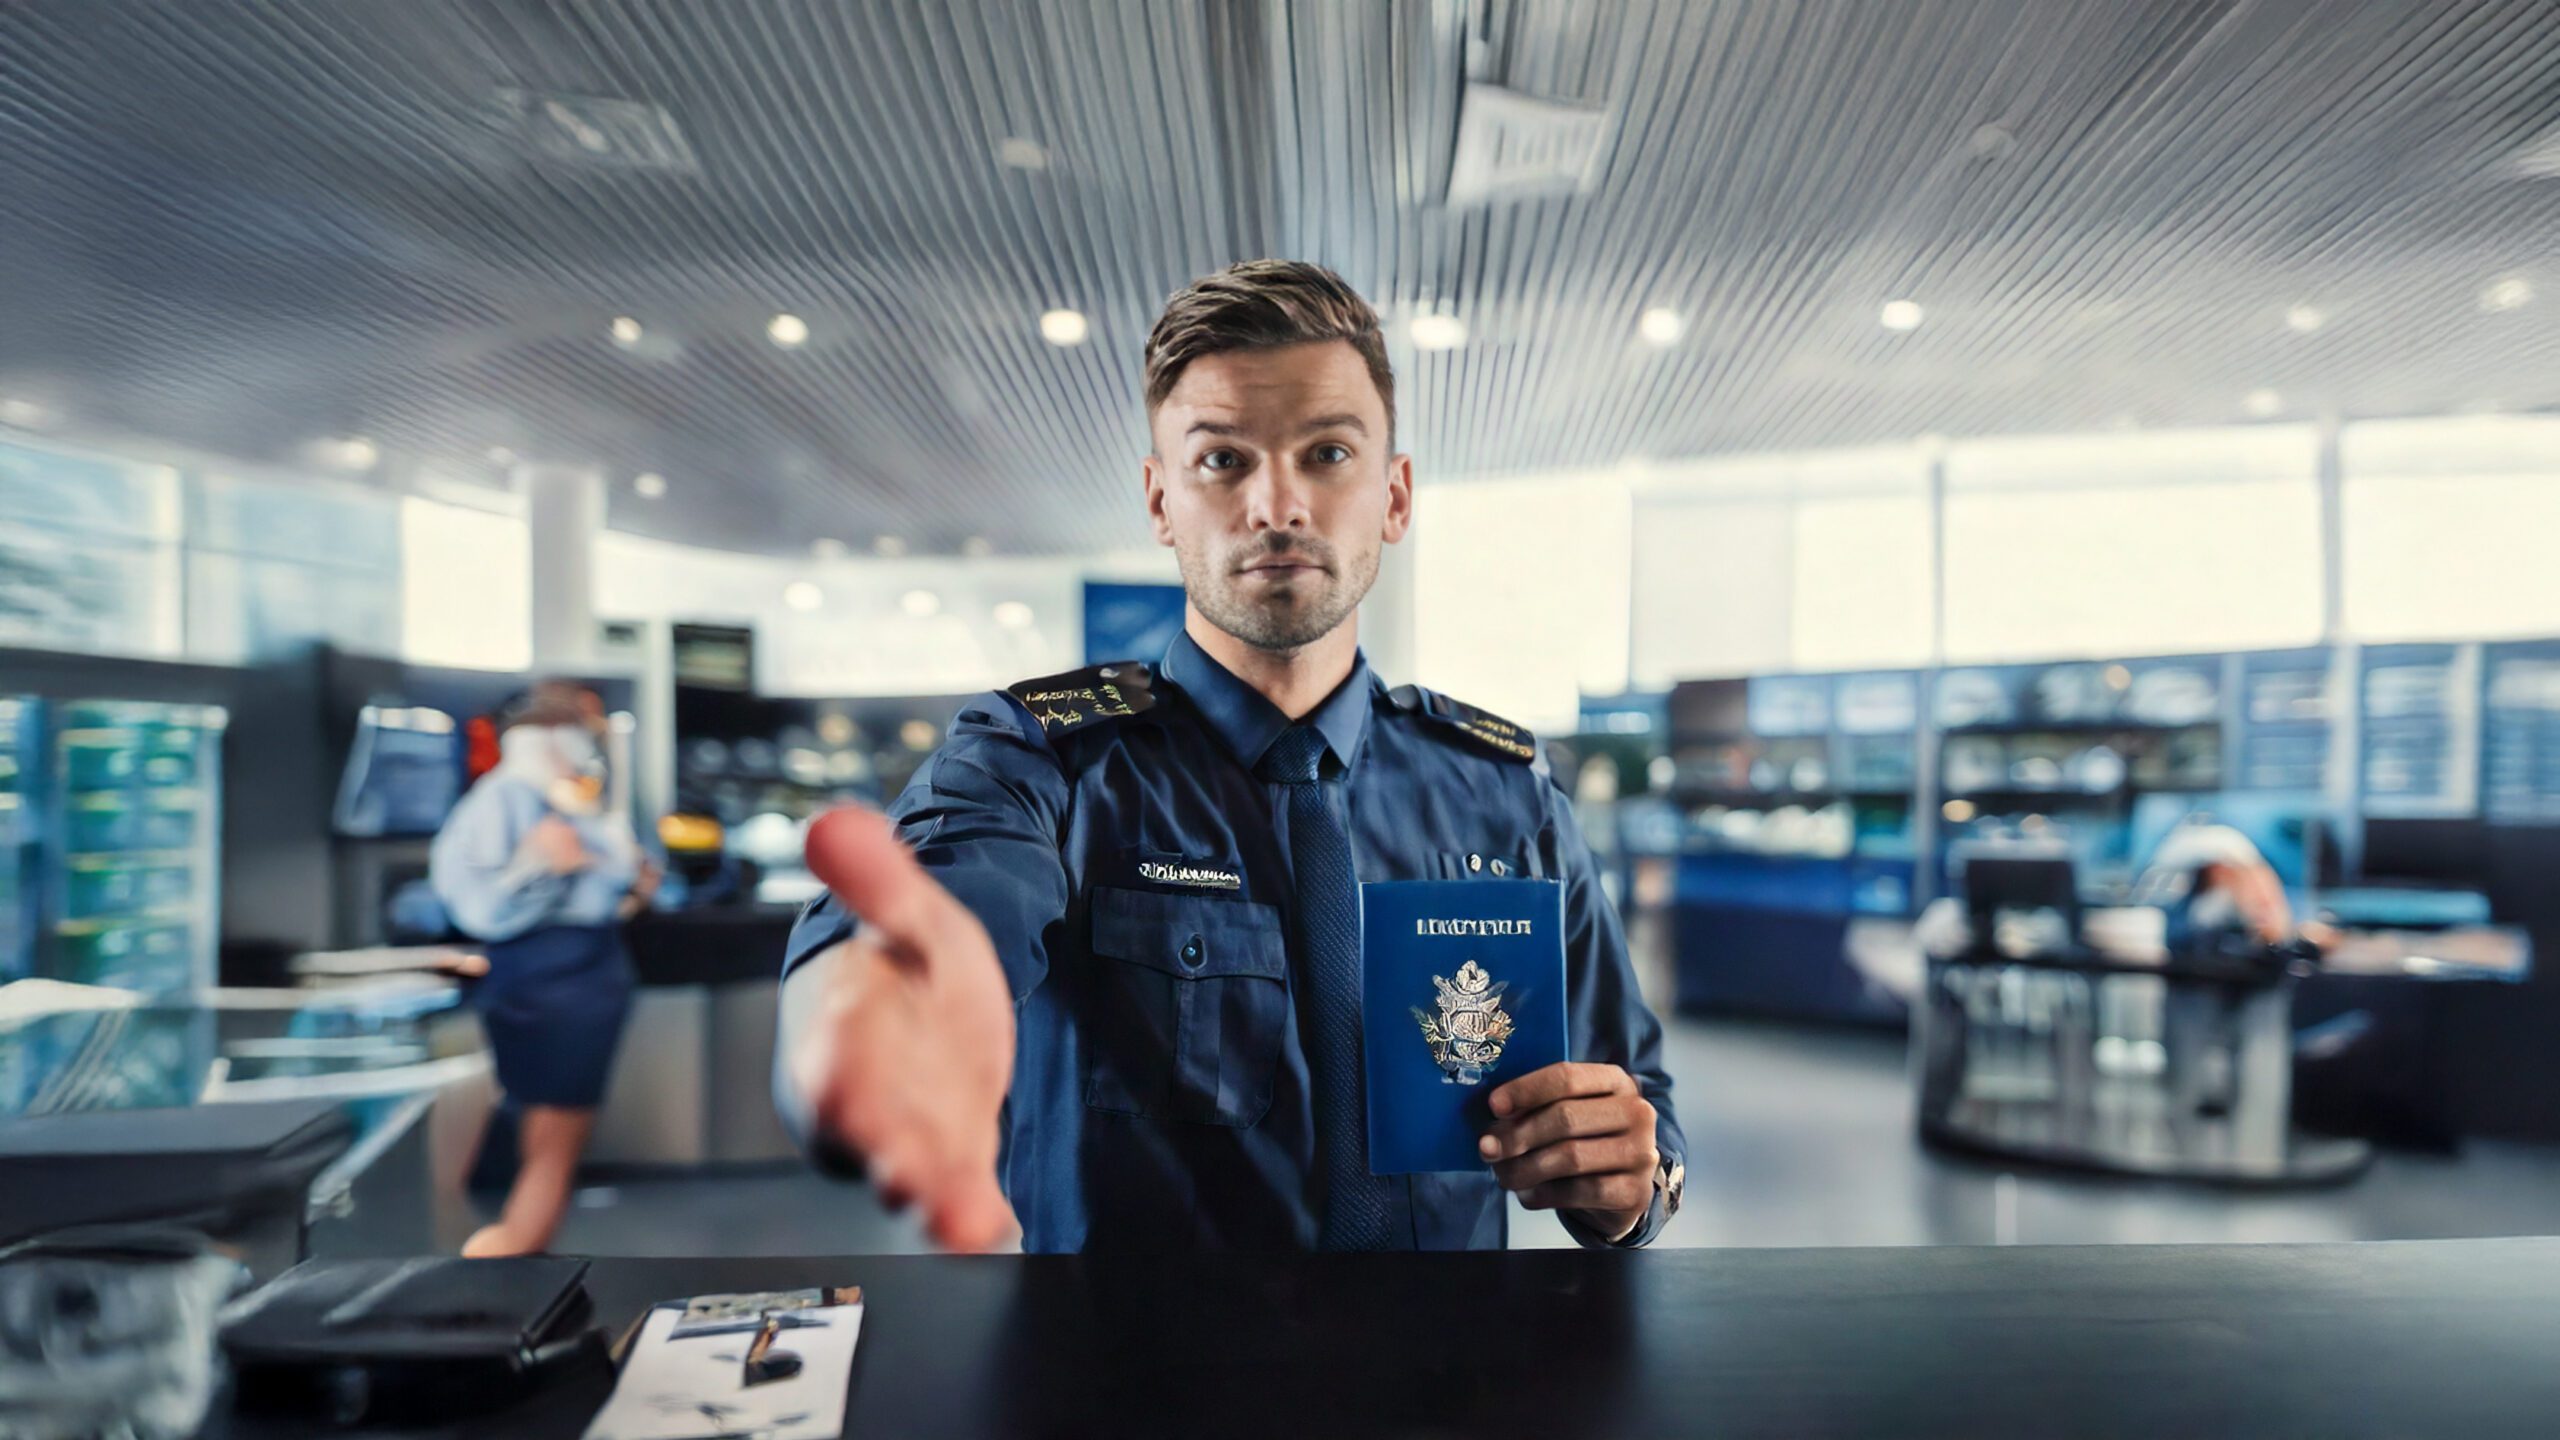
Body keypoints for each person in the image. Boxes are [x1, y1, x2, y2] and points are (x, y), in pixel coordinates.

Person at [777, 260, 1685, 1254]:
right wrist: (876, 1004)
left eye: (1328, 452)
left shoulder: (1504, 792)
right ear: (1161, 502)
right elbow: (947, 899)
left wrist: (1631, 1184)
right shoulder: (1044, 765)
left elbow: (1637, 1102)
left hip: (1443, 1391)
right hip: (1133, 1393)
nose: (1276, 505)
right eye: (1221, 462)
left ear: (1394, 495)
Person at [430, 683, 647, 1257]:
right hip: (550, 981)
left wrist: (624, 878)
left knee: (555, 1138)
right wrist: (536, 865)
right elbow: (483, 908)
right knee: (552, 1138)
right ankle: (511, 1259)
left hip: (586, 972)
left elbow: (614, 880)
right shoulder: (501, 800)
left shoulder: (565, 800)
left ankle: (519, 1253)